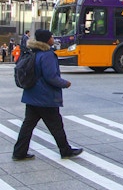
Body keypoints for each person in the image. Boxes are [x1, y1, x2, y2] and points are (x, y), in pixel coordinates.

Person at [12, 29, 82, 161]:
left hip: (32, 95)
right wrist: (65, 83)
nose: (53, 38)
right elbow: (51, 77)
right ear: (46, 40)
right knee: (56, 125)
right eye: (51, 36)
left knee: (27, 126)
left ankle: (19, 152)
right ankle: (65, 150)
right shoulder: (47, 54)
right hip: (45, 97)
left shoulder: (34, 52)